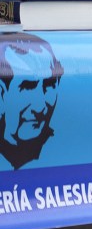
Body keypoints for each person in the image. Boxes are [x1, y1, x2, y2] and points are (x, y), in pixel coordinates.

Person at [0, 33, 64, 170]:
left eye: (49, 84)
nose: (40, 107)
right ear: (2, 93)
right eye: (27, 87)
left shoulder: (64, 143)